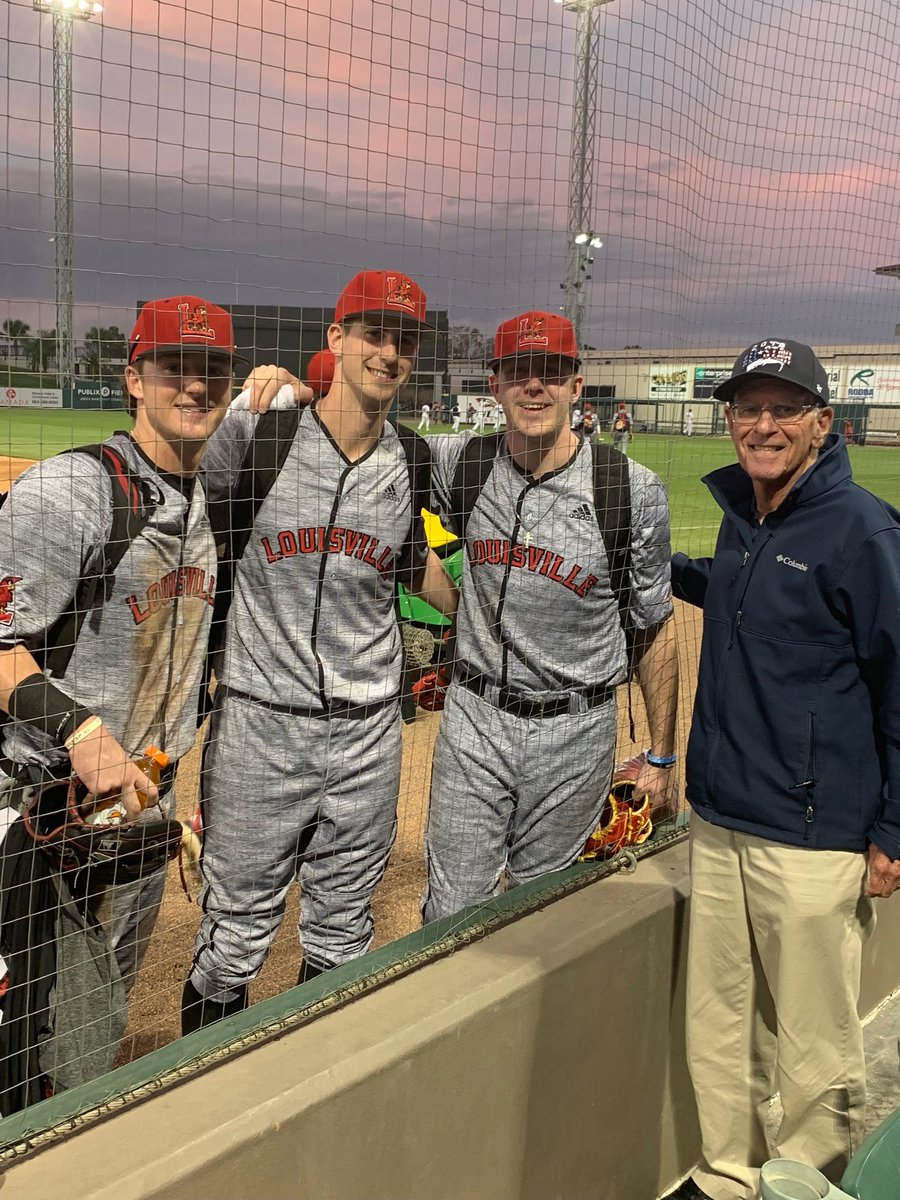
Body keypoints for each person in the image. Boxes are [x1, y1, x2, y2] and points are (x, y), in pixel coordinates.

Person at [183, 270, 458, 1031]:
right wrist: (247, 392)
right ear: (335, 340)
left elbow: (405, 555)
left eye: (404, 339)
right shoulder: (261, 431)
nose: (390, 351)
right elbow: (172, 489)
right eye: (373, 332)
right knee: (232, 941)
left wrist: (476, 624)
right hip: (260, 726)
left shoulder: (412, 460)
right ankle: (210, 1104)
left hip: (369, 734)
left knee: (342, 934)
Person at [666, 339, 900, 1200]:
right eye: (747, 408)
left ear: (821, 423)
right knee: (719, 1023)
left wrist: (895, 830)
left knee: (812, 1041)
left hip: (814, 831)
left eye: (783, 408)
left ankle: (803, 1182)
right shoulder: (746, 517)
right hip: (723, 816)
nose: (762, 425)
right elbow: (736, 591)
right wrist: (666, 570)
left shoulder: (860, 530)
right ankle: (727, 1174)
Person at [0, 295, 247, 1106]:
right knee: (31, 1063)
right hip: (42, 831)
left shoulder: (214, 502)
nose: (196, 384)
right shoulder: (70, 492)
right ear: (133, 378)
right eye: (176, 365)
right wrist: (78, 732)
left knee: (91, 1033)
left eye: (214, 368)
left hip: (137, 832)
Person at [421, 311, 678, 921]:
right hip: (476, 719)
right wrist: (289, 395)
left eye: (551, 373)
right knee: (450, 913)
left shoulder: (628, 490)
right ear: (495, 384)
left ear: (575, 385)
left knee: (544, 914)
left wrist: (664, 756)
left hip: (577, 731)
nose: (534, 386)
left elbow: (654, 629)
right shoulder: (462, 463)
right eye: (519, 372)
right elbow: (368, 461)